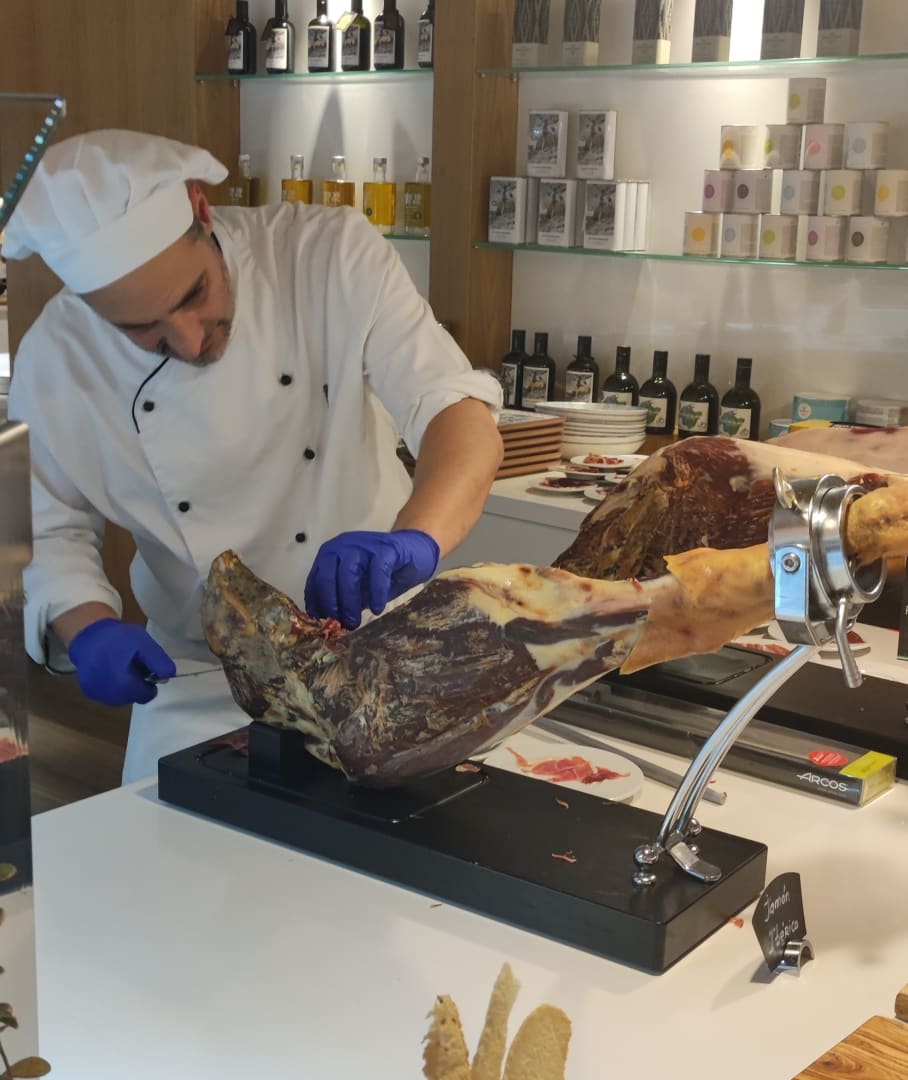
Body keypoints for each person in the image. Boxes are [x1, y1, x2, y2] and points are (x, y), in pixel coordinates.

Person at [3, 130, 503, 782]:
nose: (188, 341)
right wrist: (87, 626)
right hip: (196, 684)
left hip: (377, 658)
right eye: (142, 330)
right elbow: (47, 528)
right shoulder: (57, 357)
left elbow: (455, 412)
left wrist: (418, 536)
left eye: (194, 296)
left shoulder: (324, 255)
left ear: (201, 209)